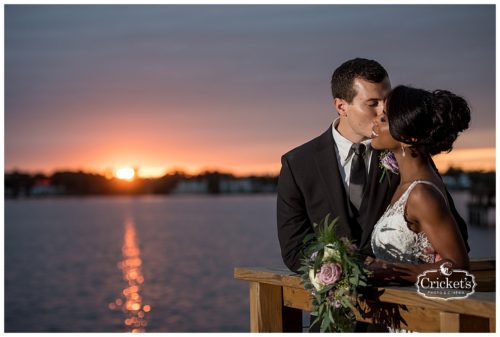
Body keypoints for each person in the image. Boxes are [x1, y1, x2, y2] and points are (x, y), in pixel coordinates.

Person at [276, 58, 469, 276]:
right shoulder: (298, 164)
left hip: (407, 303)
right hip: (338, 306)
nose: (382, 111)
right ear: (341, 106)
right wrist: (346, 272)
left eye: (386, 102)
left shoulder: (406, 149)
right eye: (372, 103)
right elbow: (295, 251)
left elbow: (455, 233)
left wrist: (401, 268)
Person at [367, 85, 471, 283]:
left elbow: (459, 268)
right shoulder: (404, 184)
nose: (375, 121)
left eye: (384, 118)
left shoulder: (421, 194)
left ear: (408, 138)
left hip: (421, 309)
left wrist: (391, 271)